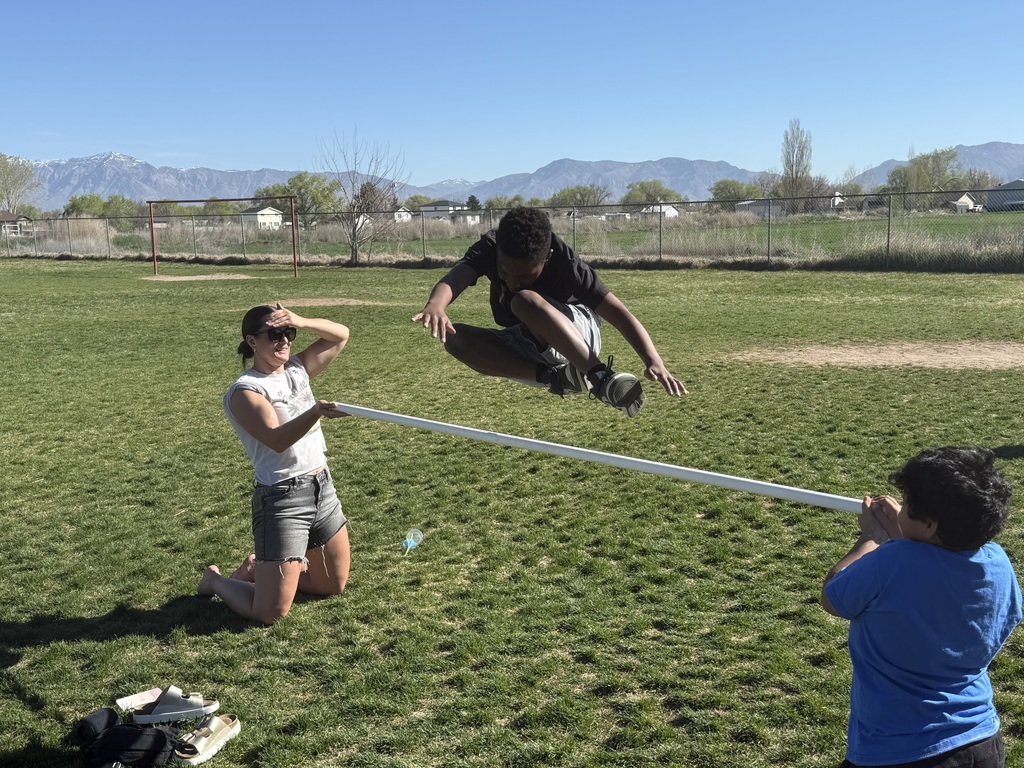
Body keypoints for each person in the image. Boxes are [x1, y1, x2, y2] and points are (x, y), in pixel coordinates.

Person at [821, 447, 1022, 768]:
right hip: (981, 742)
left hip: (899, 750)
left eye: (908, 506)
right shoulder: (997, 561)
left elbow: (833, 596)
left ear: (929, 525)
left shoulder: (892, 560)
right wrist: (910, 534)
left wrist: (871, 537)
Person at [412, 206, 687, 417]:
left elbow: (618, 312)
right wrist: (436, 305)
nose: (512, 281)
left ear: (547, 257)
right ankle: (555, 377)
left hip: (579, 332)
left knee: (523, 300)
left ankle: (600, 378)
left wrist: (653, 359)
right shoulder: (491, 246)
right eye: (504, 271)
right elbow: (457, 276)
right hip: (525, 338)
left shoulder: (567, 263)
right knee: (454, 338)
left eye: (526, 275)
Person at [198, 302, 351, 625]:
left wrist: (301, 319)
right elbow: (276, 439)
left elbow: (340, 336)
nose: (284, 341)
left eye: (288, 333)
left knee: (332, 586)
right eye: (274, 334)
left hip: (321, 485)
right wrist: (315, 412)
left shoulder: (297, 368)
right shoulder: (247, 390)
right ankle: (215, 580)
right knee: (270, 613)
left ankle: (258, 569)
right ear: (253, 341)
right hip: (282, 497)